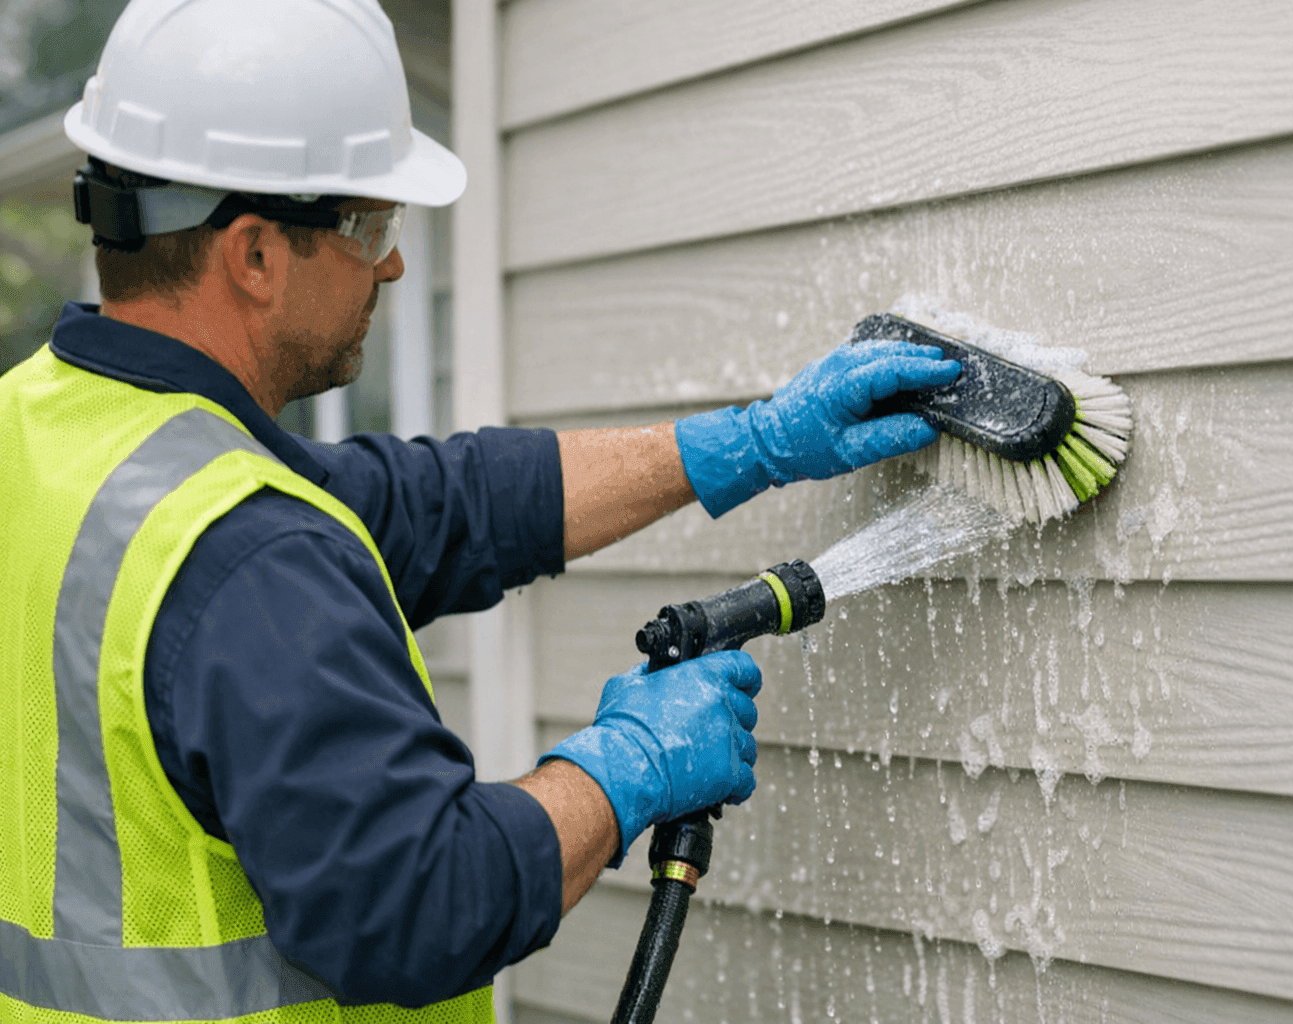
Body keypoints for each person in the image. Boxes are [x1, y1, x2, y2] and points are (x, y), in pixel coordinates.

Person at [0, 0, 960, 1017]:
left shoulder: (56, 438)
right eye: (370, 224)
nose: (394, 261)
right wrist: (625, 770)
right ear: (254, 255)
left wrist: (749, 444)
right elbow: (422, 905)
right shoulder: (246, 555)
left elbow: (437, 503)